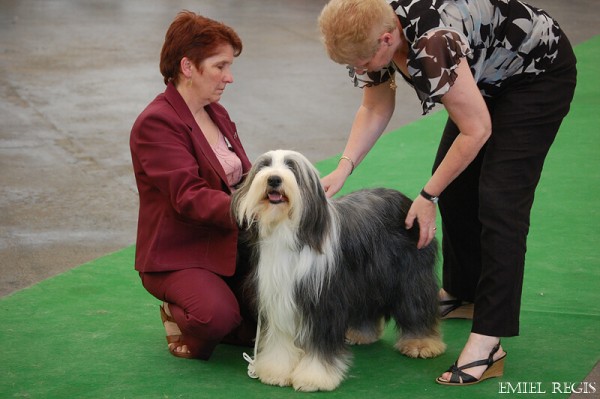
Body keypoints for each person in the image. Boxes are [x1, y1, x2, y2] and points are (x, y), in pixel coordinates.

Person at [318, 0, 576, 385]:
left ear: (387, 39)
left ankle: (489, 342)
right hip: (484, 75)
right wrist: (344, 165)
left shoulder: (432, 43)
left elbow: (477, 130)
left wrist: (427, 196)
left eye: (360, 63)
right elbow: (374, 105)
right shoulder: (373, 26)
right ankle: (463, 291)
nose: (358, 71)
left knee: (500, 206)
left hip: (535, 76)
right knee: (457, 190)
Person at [130, 11, 256, 360]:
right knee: (217, 318)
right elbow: (189, 197)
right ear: (188, 67)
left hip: (226, 241)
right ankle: (180, 319)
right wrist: (254, 207)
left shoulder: (217, 113)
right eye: (220, 66)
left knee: (276, 315)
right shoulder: (156, 123)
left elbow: (243, 179)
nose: (229, 78)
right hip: (178, 254)